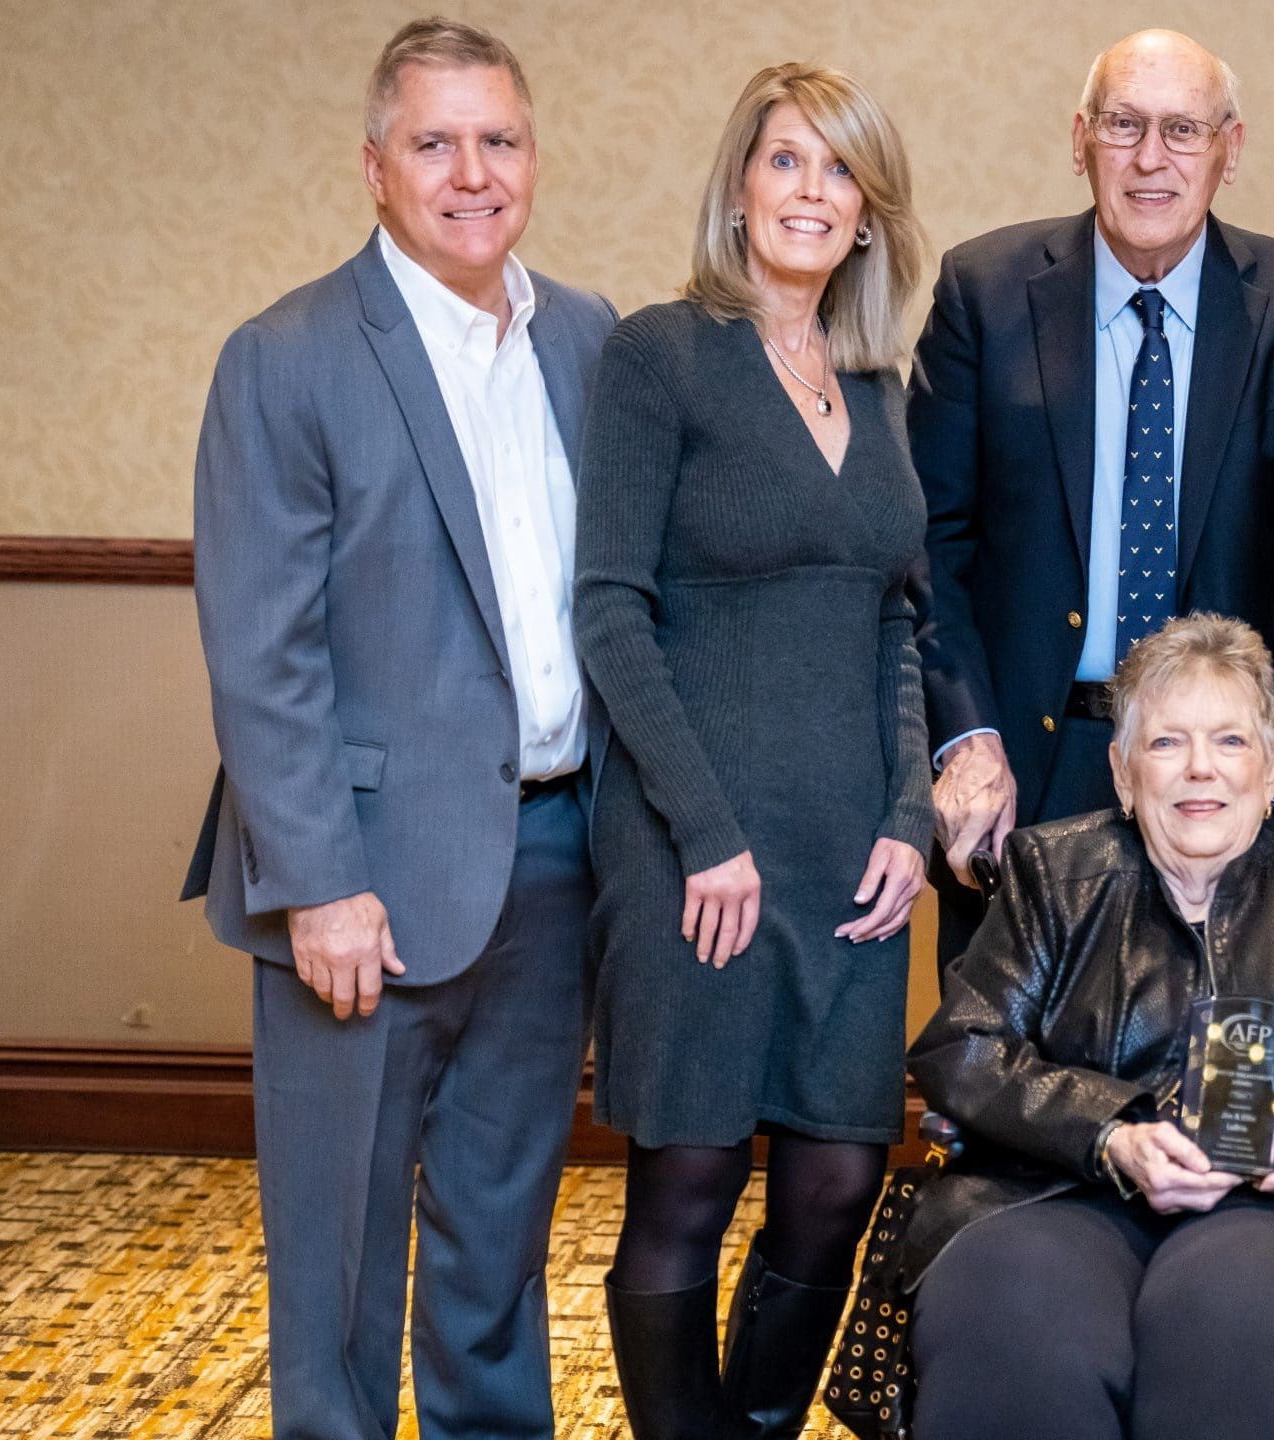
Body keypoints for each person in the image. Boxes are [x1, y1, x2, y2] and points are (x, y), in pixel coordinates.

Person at [181, 19, 615, 1438]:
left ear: (533, 157)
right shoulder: (287, 357)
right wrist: (318, 883)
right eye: (435, 143)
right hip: (359, 881)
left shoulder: (590, 338)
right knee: (342, 1257)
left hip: (552, 857)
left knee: (500, 1236)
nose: (471, 174)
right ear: (375, 167)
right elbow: (263, 653)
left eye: (498, 140)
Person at [898, 613, 1274, 1440]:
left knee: (1228, 1316)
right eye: (1166, 743)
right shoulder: (1052, 873)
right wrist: (1110, 1135)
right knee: (1013, 1323)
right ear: (1122, 772)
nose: (1199, 770)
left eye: (1230, 741)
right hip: (1065, 1195)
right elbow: (962, 1045)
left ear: (1271, 765)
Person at [571, 62, 931, 1438]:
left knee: (839, 1181)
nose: (812, 192)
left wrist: (908, 816)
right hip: (695, 849)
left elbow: (897, 620)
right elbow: (610, 610)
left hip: (851, 851)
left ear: (869, 211)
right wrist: (705, 834)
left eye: (841, 171)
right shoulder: (659, 355)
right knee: (691, 1179)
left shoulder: (879, 387)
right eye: (786, 160)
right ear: (738, 186)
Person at [911, 29, 1274, 968]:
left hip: (1219, 786)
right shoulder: (983, 293)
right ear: (1081, 138)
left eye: (1182, 130)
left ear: (1229, 150)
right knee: (1007, 1054)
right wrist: (966, 738)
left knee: (1217, 1054)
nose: (1151, 158)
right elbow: (927, 544)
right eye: (1124, 124)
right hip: (1021, 775)